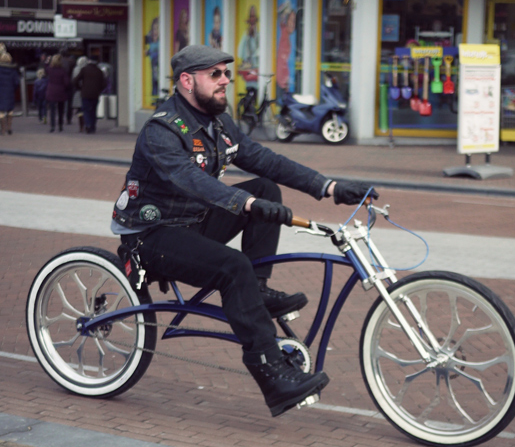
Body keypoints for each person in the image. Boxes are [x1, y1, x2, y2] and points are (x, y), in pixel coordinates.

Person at [110, 45, 378, 418]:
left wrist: (329, 188)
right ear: (187, 81)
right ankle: (271, 374)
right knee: (233, 266)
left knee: (266, 188)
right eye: (215, 74)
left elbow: (265, 160)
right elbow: (190, 179)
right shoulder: (162, 130)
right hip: (153, 234)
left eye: (225, 73)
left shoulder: (218, 122)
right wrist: (245, 204)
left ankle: (260, 287)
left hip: (195, 222)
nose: (225, 81)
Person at [73, 55, 107, 134]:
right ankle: (92, 126)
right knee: (93, 110)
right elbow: (104, 84)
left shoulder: (84, 70)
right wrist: (99, 90)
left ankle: (87, 124)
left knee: (86, 110)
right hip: (95, 94)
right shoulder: (99, 71)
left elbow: (75, 80)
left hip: (85, 93)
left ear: (89, 61)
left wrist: (79, 88)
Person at [45, 54, 70, 132]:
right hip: (61, 91)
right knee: (61, 110)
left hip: (51, 91)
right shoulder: (63, 71)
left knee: (52, 110)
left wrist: (47, 62)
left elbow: (45, 69)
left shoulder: (50, 69)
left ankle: (52, 126)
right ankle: (60, 125)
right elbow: (67, 82)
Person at [0, 51, 20, 135]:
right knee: (10, 110)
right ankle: (9, 127)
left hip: (0, 92)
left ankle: (3, 129)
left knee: (1, 111)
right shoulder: (13, 71)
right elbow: (16, 82)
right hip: (10, 91)